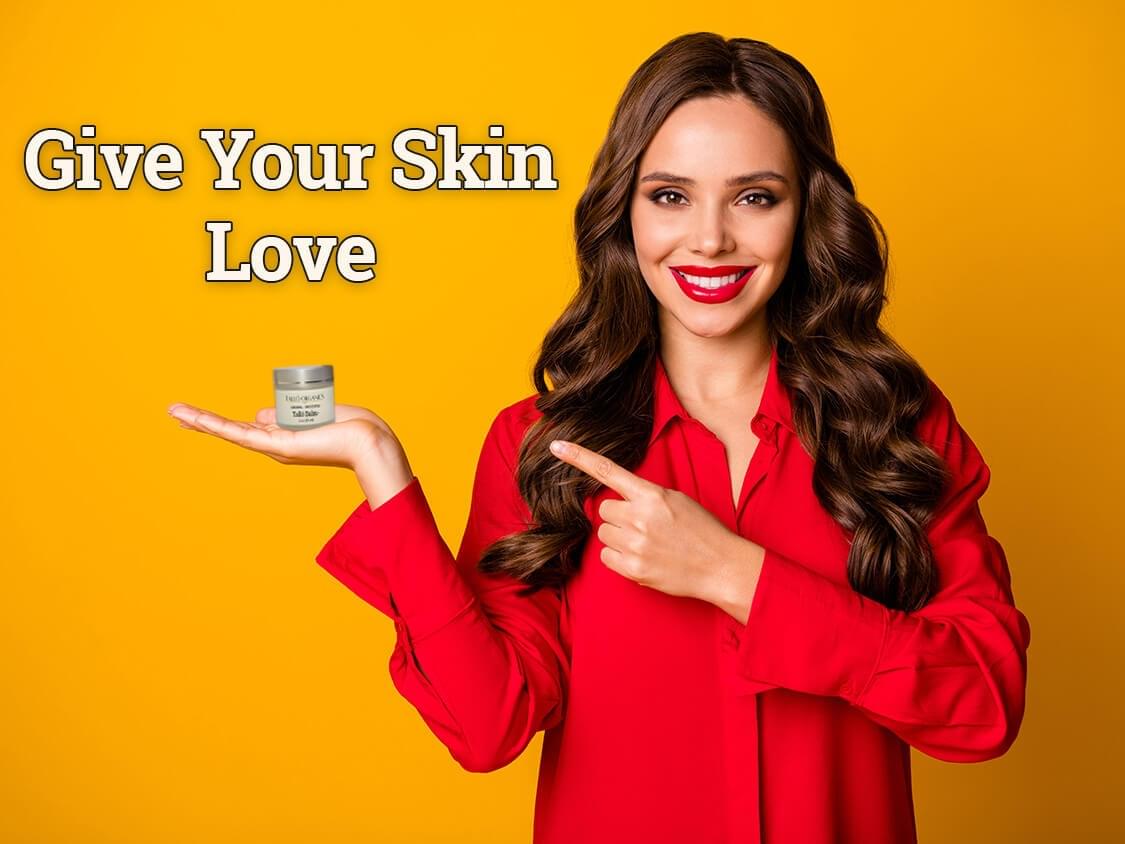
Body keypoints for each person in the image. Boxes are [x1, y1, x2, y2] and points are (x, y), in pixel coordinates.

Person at [168, 32, 1031, 844]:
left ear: (806, 213)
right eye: (670, 197)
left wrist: (736, 575)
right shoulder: (547, 448)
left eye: (754, 198)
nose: (709, 239)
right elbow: (487, 723)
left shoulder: (893, 424)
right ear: (624, 214)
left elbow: (983, 704)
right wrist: (382, 476)